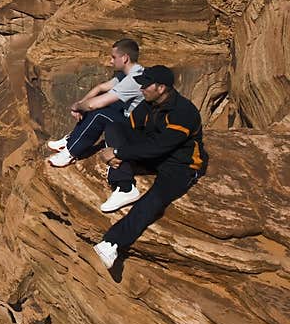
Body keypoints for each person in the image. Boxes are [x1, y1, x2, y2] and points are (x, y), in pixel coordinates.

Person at [93, 65, 208, 269]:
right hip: (155, 154)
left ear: (161, 88)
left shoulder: (183, 112)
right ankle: (126, 186)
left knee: (154, 200)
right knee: (114, 126)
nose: (141, 89)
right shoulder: (149, 103)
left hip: (181, 165)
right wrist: (118, 153)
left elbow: (158, 147)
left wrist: (118, 153)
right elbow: (129, 129)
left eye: (146, 85)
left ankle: (112, 243)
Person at [47, 39, 144, 167]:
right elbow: (100, 88)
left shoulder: (134, 79)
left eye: (114, 57)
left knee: (99, 113)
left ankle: (71, 152)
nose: (111, 61)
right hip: (129, 119)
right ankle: (71, 139)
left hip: (137, 129)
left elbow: (94, 105)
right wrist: (82, 104)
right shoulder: (128, 74)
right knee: (95, 104)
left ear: (125, 58)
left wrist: (76, 106)